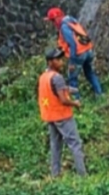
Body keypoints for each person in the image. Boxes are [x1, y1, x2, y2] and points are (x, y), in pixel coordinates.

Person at [38, 47, 87, 178]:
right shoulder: (57, 77)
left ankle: (55, 174)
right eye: (57, 60)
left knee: (55, 146)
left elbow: (55, 91)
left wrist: (70, 89)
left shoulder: (44, 77)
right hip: (62, 116)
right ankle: (83, 176)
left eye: (61, 59)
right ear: (49, 62)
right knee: (75, 144)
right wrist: (75, 104)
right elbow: (63, 100)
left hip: (50, 117)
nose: (61, 62)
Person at [46, 7, 104, 99]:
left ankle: (77, 101)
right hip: (88, 51)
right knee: (90, 73)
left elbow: (72, 43)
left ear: (58, 18)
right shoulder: (71, 21)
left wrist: (72, 61)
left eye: (53, 20)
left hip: (78, 54)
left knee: (72, 79)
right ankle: (100, 95)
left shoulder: (64, 27)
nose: (53, 23)